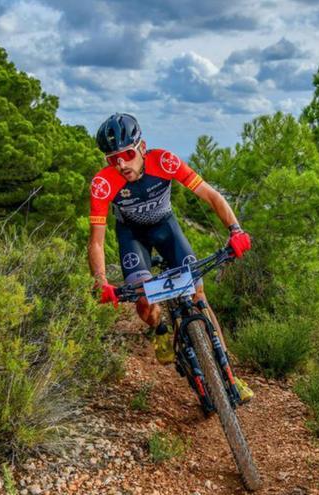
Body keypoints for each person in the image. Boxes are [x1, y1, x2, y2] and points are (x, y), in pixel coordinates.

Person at [87, 112, 254, 401]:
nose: (121, 164)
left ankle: (230, 376)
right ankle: (160, 328)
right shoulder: (103, 183)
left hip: (166, 228)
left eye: (126, 154)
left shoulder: (164, 161)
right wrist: (101, 281)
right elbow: (97, 242)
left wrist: (235, 229)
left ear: (142, 147)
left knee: (198, 295)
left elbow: (211, 195)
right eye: (113, 159)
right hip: (132, 236)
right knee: (144, 301)